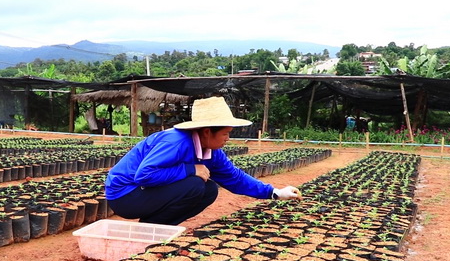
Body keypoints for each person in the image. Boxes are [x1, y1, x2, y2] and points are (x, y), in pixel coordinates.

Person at [105, 96, 302, 226]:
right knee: (194, 184)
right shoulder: (176, 141)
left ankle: (155, 228)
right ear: (207, 131)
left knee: (209, 190)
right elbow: (144, 175)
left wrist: (275, 193)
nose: (228, 138)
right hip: (125, 196)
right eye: (225, 133)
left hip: (143, 194)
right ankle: (150, 230)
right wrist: (190, 170)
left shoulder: (211, 150)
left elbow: (234, 178)